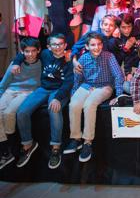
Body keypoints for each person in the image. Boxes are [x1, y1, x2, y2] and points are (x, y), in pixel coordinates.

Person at [14, 33, 73, 169]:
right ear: (48, 46)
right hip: (44, 88)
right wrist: (17, 62)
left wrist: (58, 98)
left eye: (60, 44)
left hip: (59, 91)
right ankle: (28, 144)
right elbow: (25, 53)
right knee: (22, 112)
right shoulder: (45, 54)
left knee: (53, 109)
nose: (57, 47)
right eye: (54, 44)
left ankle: (56, 147)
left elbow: (69, 82)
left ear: (65, 45)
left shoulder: (68, 59)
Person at [63, 32, 124, 162]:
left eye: (99, 44)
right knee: (74, 104)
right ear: (87, 46)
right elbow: (78, 80)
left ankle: (88, 142)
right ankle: (76, 138)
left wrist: (118, 96)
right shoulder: (83, 58)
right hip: (87, 85)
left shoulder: (109, 56)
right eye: (93, 45)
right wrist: (74, 93)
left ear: (102, 45)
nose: (96, 47)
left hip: (105, 86)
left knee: (89, 104)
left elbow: (119, 76)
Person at [0, 38, 41, 169]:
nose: (30, 54)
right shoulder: (15, 64)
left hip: (27, 92)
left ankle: (11, 145)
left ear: (38, 50)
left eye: (33, 51)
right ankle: (6, 149)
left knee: (9, 112)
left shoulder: (42, 63)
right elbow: (4, 83)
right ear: (22, 51)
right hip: (11, 90)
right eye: (27, 51)